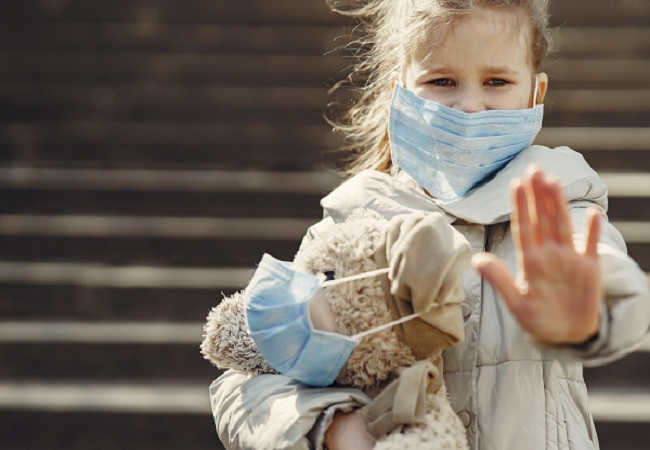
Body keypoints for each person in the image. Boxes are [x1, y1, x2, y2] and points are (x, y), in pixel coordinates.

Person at [208, 1, 650, 449]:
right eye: (442, 81)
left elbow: (605, 268)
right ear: (401, 92)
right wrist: (334, 428)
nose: (470, 106)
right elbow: (248, 377)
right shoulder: (354, 222)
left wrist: (590, 308)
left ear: (535, 95)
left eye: (496, 81)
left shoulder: (558, 199)